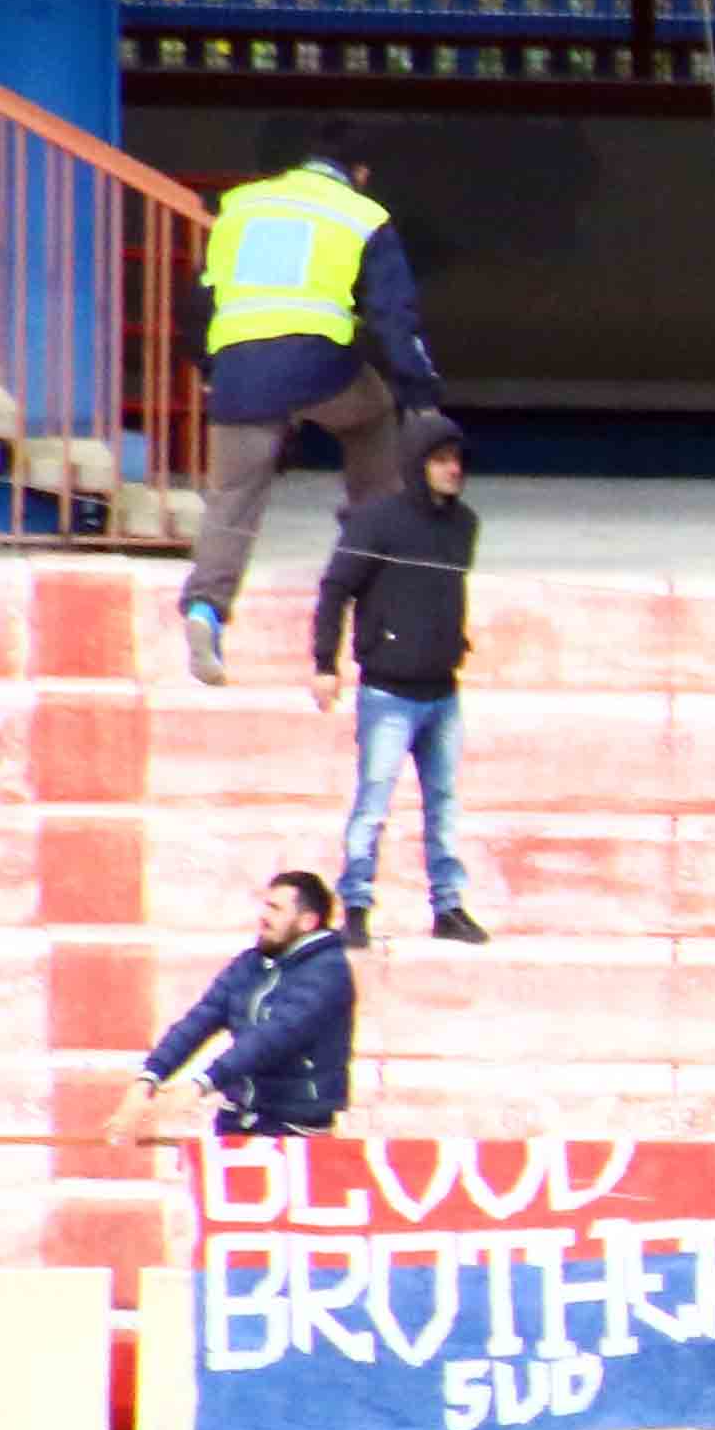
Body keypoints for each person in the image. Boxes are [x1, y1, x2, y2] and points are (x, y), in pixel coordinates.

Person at [181, 123, 441, 689]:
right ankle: (376, 547)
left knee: (232, 498)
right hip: (317, 368)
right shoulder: (361, 214)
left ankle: (205, 609)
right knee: (373, 418)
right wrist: (420, 397)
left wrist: (210, 372)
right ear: (361, 173)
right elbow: (395, 320)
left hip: (240, 373)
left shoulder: (243, 205)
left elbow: (199, 300)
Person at [309, 405, 487, 951]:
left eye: (456, 459)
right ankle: (357, 906)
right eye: (440, 460)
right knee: (373, 803)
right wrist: (325, 663)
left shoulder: (465, 526)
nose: (452, 469)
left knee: (444, 804)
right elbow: (336, 588)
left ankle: (449, 906)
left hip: (443, 689)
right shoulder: (377, 521)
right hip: (387, 690)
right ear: (417, 464)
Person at [123, 870, 357, 1137]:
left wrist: (202, 1084)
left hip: (296, 1128)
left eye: (275, 908)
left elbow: (273, 1037)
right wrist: (148, 1078)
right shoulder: (250, 964)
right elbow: (199, 1020)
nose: (263, 916)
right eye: (265, 906)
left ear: (307, 921)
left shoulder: (328, 971)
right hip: (239, 1119)